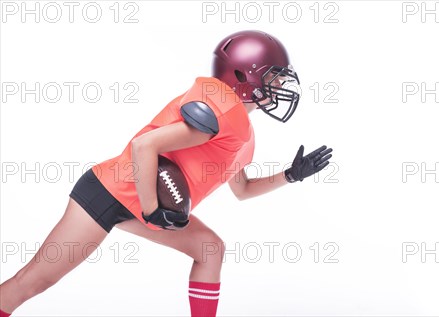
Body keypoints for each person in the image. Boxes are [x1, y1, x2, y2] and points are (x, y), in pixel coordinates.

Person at [0, 30, 333, 317]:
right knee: (31, 282)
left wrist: (290, 175)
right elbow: (145, 146)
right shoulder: (221, 109)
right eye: (274, 77)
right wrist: (150, 210)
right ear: (245, 76)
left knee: (209, 249)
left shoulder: (243, 134)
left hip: (148, 201)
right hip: (112, 191)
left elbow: (243, 189)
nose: (280, 85)